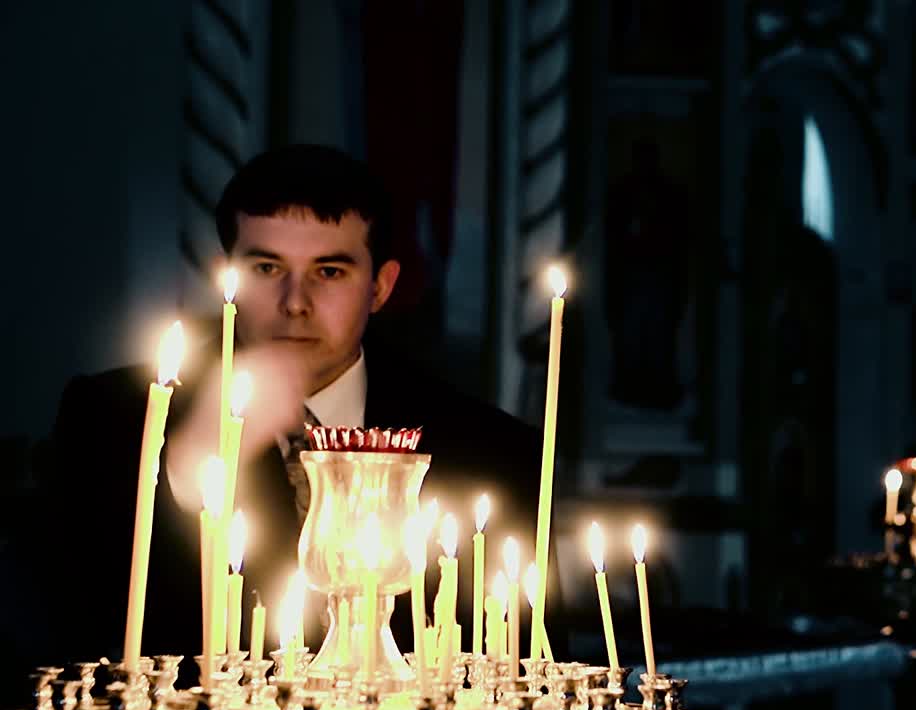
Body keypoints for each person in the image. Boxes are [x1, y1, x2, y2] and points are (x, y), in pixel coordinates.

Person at [39, 145, 544, 673]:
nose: (294, 302)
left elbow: (523, 672)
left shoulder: (491, 447)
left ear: (381, 285)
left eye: (329, 272)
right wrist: (190, 472)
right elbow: (77, 639)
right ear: (225, 277)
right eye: (266, 267)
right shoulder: (111, 420)